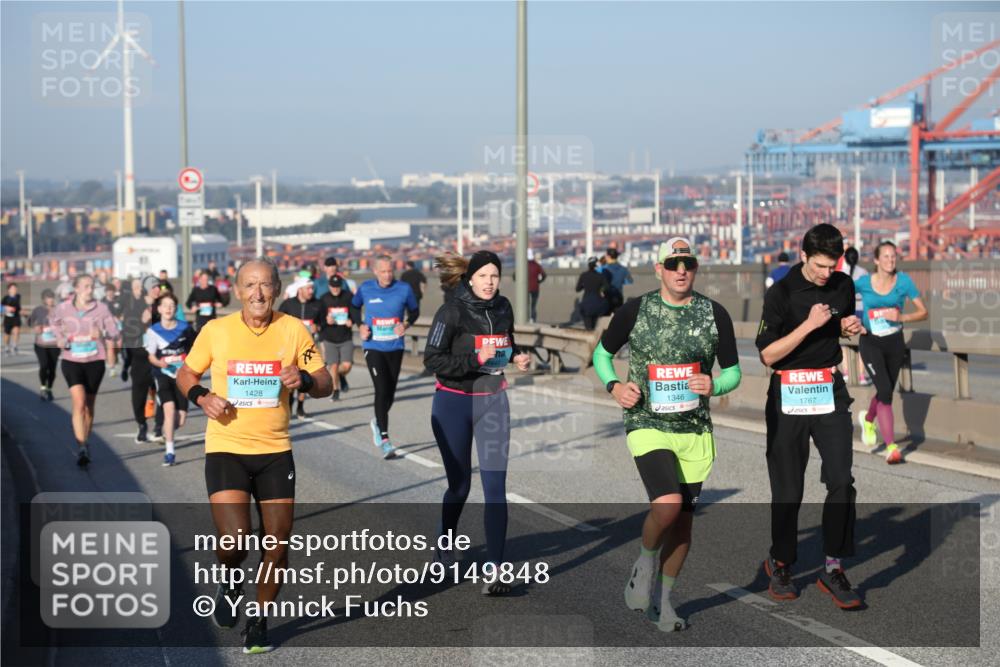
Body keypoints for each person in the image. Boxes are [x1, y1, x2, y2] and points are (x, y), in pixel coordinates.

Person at [176, 257, 331, 654]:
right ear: (237, 290)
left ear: (277, 289)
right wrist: (202, 397)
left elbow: (326, 382)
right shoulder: (216, 330)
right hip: (227, 448)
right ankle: (229, 577)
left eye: (265, 285)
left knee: (276, 543)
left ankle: (259, 621)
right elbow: (186, 374)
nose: (257, 293)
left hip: (276, 451)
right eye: (249, 285)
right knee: (235, 541)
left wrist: (308, 379)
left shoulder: (293, 329)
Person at [592, 237, 741, 631]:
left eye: (687, 263)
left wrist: (716, 385)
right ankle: (644, 562)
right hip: (647, 423)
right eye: (672, 263)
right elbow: (602, 355)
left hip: (693, 430)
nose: (680, 270)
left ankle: (665, 601)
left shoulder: (714, 314)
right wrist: (615, 388)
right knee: (668, 505)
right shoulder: (635, 310)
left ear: (695, 269)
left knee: (683, 524)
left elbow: (734, 371)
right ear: (658, 269)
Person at [755, 223, 865, 609]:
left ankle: (832, 566)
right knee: (789, 487)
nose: (826, 273)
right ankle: (782, 561)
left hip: (828, 389)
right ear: (803, 256)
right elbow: (767, 355)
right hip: (787, 390)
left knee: (841, 480)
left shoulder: (843, 285)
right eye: (819, 265)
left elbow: (843, 329)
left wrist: (849, 327)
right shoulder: (781, 293)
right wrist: (809, 325)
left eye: (832, 265)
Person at [423, 251, 531, 594]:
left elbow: (506, 342)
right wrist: (474, 358)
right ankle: (446, 544)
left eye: (494, 276)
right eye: (483, 276)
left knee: (496, 489)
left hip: (493, 400)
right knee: (460, 486)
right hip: (453, 402)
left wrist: (517, 356)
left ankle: (496, 570)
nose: (489, 282)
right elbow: (432, 359)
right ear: (470, 278)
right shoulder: (452, 311)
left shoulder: (503, 308)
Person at [855, 241, 927, 464]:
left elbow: (923, 312)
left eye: (893, 256)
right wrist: (851, 321)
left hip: (895, 343)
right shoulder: (864, 282)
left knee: (885, 391)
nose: (890, 260)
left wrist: (902, 318)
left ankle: (868, 420)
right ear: (876, 260)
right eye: (885, 256)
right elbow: (841, 295)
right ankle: (892, 447)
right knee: (885, 390)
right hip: (871, 342)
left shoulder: (904, 282)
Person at [352, 254, 419, 459]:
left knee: (389, 392)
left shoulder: (404, 289)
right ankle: (384, 439)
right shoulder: (366, 288)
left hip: (395, 346)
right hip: (373, 346)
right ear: (375, 271)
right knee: (381, 389)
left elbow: (415, 311)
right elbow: (354, 308)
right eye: (383, 271)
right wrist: (360, 325)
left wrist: (405, 324)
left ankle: (377, 421)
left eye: (390, 271)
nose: (387, 275)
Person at [50, 274, 121, 467]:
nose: (90, 290)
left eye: (92, 286)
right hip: (71, 360)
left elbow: (115, 332)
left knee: (89, 407)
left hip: (94, 361)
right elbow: (54, 323)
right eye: (87, 286)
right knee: (79, 403)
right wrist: (59, 337)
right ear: (77, 288)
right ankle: (81, 447)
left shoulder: (102, 308)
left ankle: (85, 440)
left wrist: (103, 333)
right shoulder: (64, 308)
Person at [146, 293, 197, 466]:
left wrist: (190, 363)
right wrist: (159, 363)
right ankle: (170, 452)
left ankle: (169, 433)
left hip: (182, 377)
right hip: (163, 375)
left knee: (180, 420)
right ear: (159, 309)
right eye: (165, 305)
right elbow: (151, 356)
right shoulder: (154, 331)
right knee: (169, 410)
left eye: (171, 305)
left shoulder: (185, 328)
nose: (168, 308)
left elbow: (195, 349)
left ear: (176, 309)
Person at [278, 279, 323, 418]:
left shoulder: (318, 304)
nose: (311, 291)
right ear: (300, 290)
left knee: (305, 376)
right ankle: (290, 404)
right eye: (308, 288)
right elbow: (277, 324)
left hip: (308, 348)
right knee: (292, 377)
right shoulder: (288, 304)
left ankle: (301, 407)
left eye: (312, 288)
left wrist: (318, 327)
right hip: (289, 348)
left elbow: (324, 323)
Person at [319, 275, 360, 401]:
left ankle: (340, 376)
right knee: (334, 365)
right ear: (329, 286)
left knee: (347, 366)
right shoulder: (323, 299)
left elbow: (355, 312)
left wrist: (351, 321)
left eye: (338, 287)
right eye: (333, 286)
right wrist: (326, 321)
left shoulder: (348, 296)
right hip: (329, 337)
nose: (336, 289)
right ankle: (336, 391)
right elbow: (319, 319)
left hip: (345, 336)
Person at [839, 246, 869, 384]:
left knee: (845, 343)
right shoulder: (864, 273)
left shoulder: (840, 273)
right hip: (862, 309)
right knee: (862, 343)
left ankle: (846, 373)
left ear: (845, 258)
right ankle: (862, 375)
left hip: (846, 310)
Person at [29, 289, 60, 401]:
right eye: (48, 297)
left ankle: (49, 388)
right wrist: (36, 327)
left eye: (52, 297)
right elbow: (30, 322)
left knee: (52, 369)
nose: (50, 299)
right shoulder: (38, 310)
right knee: (44, 365)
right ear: (44, 299)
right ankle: (43, 387)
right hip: (41, 344)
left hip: (54, 344)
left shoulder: (59, 310)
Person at [575, 257, 611, 330]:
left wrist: (584, 285)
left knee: (588, 327)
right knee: (594, 326)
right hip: (598, 304)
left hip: (586, 304)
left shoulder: (584, 275)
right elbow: (607, 287)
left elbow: (577, 289)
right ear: (596, 265)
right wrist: (601, 290)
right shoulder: (600, 276)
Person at [602, 247, 634, 313]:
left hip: (607, 298)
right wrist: (621, 280)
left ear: (608, 257)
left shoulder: (604, 269)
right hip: (619, 296)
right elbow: (630, 281)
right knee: (618, 319)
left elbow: (601, 283)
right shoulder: (623, 269)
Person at [526, 249, 547, 323]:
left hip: (525, 289)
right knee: (533, 305)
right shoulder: (537, 265)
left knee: (525, 304)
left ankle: (525, 318)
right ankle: (532, 318)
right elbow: (544, 275)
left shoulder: (523, 265)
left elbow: (514, 276)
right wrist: (539, 281)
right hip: (535, 287)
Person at [3, 282, 23, 354]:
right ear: (9, 290)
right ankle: (6, 346)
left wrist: (20, 311)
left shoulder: (18, 296)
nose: (15, 289)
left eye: (15, 288)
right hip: (8, 318)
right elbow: (1, 307)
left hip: (16, 317)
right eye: (13, 288)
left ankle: (15, 346)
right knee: (7, 333)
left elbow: (18, 306)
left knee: (16, 331)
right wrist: (6, 308)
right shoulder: (5, 298)